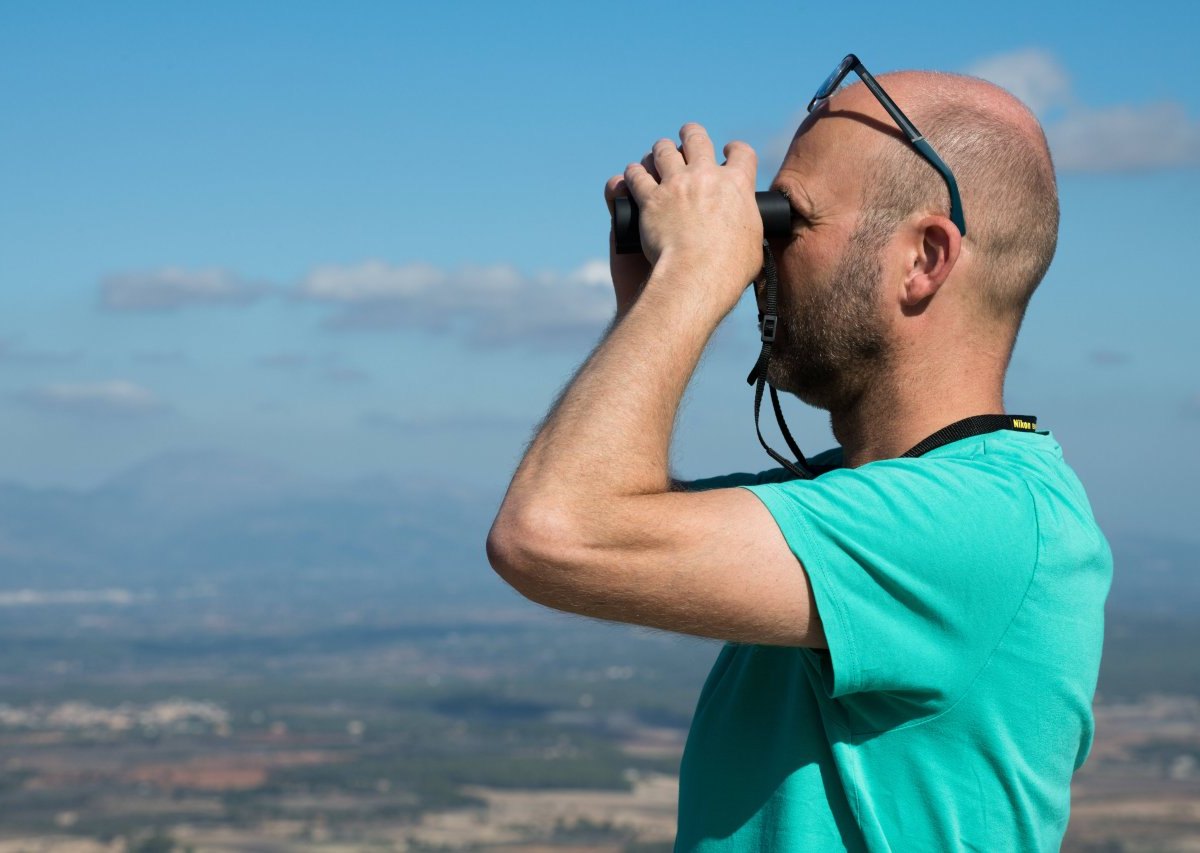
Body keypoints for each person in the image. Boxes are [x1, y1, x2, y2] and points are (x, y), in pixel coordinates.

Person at [486, 58, 1112, 852]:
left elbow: (552, 531)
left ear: (924, 258)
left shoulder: (989, 523)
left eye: (791, 221)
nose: (760, 256)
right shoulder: (861, 502)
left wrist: (689, 279)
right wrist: (646, 305)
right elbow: (607, 507)